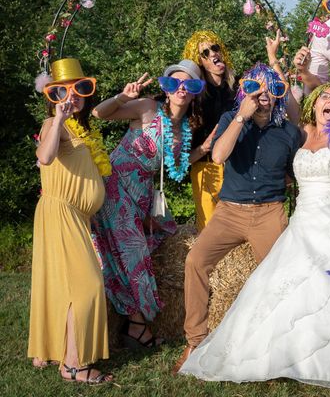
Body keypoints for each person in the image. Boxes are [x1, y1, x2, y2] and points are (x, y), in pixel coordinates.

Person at [178, 83, 330, 396]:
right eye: (326, 96)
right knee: (286, 286)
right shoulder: (299, 132)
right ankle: (276, 348)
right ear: (315, 102)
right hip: (305, 221)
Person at [173, 62, 302, 374]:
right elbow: (218, 156)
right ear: (245, 93)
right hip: (229, 211)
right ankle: (196, 339)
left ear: (279, 96)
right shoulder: (232, 119)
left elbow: (293, 175)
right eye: (255, 88)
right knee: (195, 261)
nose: (264, 94)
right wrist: (242, 116)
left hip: (270, 211)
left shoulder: (288, 133)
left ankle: (275, 347)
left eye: (272, 88)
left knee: (279, 276)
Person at [92, 59, 205, 349]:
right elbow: (99, 113)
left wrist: (204, 149)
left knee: (162, 234)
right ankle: (138, 325)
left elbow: (176, 168)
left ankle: (134, 322)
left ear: (195, 93)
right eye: (173, 83)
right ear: (166, 89)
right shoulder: (147, 108)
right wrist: (122, 97)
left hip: (142, 191)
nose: (181, 88)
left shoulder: (184, 129)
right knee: (135, 254)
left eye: (189, 84)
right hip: (116, 186)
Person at [29, 58, 112, 383]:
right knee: (88, 287)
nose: (72, 95)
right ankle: (73, 366)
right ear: (53, 95)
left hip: (75, 216)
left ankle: (50, 351)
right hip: (60, 212)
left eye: (79, 88)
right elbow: (45, 157)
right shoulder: (54, 124)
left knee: (61, 287)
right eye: (63, 90)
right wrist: (59, 117)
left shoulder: (81, 127)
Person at [183, 31, 237, 231]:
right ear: (199, 61)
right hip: (205, 169)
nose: (213, 53)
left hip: (237, 167)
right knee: (210, 231)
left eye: (215, 48)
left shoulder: (238, 88)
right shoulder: (193, 97)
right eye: (205, 52)